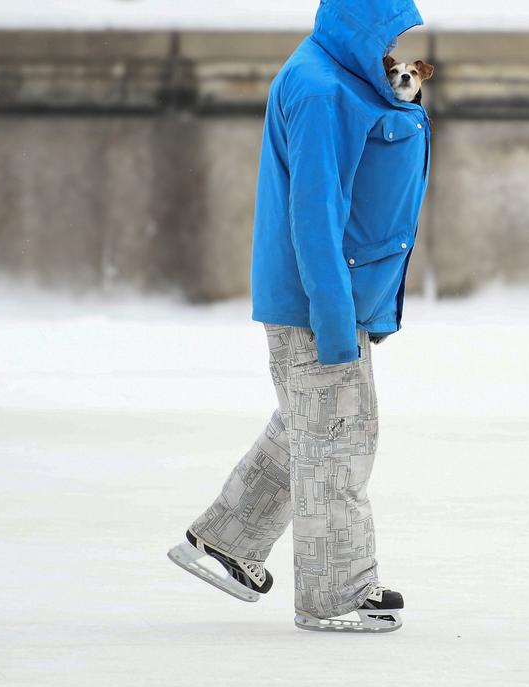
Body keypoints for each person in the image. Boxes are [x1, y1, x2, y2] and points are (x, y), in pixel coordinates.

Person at [167, 0, 431, 634]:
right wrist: (337, 319)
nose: (398, 43)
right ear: (361, 24)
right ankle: (337, 593)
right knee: (339, 439)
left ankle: (225, 541)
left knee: (310, 428)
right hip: (319, 302)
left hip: (332, 297)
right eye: (391, 29)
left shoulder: (345, 78)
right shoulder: (320, 89)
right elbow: (315, 217)